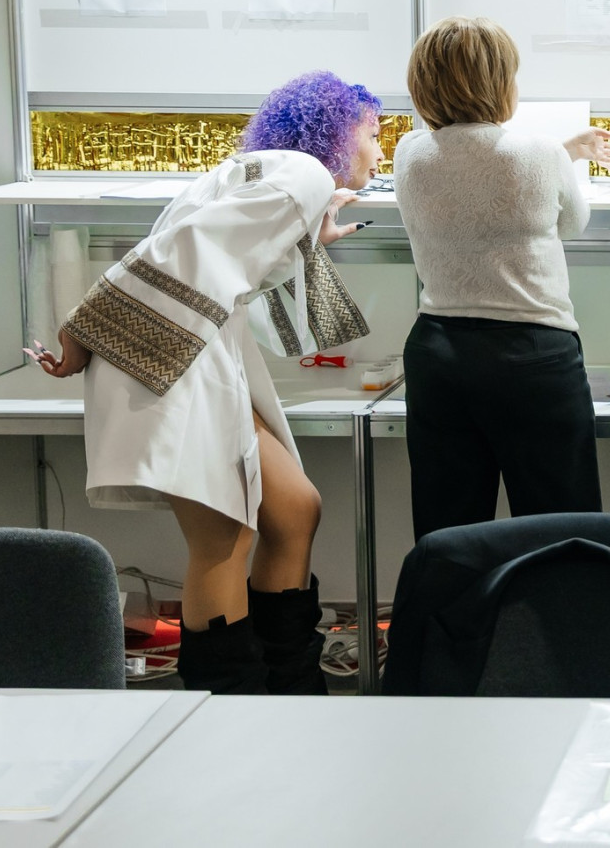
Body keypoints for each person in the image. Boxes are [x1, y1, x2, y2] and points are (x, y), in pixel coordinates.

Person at [32, 70, 383, 694]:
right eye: (373, 133)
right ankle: (233, 701)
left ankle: (288, 685)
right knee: (226, 537)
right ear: (337, 132)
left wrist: (309, 235)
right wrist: (83, 326)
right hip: (166, 354)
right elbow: (184, 251)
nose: (379, 152)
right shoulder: (305, 174)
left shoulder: (267, 174)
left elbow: (223, 259)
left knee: (294, 510)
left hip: (182, 350)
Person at [394, 16, 610, 539]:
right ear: (499, 82)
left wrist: (564, 151)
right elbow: (571, 223)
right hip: (532, 355)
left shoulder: (408, 153)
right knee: (560, 530)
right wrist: (563, 156)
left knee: (448, 533)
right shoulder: (541, 153)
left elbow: (473, 171)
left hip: (438, 353)